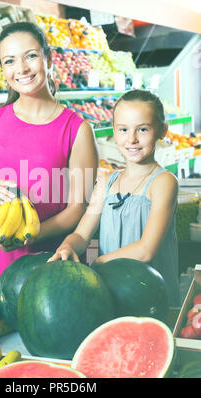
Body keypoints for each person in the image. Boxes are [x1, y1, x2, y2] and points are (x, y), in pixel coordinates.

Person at [0, 22, 98, 281]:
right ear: (2, 68)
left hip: (43, 261)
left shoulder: (78, 130)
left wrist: (26, 235)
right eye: (9, 61)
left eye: (30, 56)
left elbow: (78, 208)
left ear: (48, 59)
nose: (21, 69)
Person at [49, 89, 180, 307]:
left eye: (143, 129)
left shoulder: (163, 182)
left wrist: (99, 263)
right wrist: (68, 246)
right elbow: (81, 234)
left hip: (151, 297)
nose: (132, 139)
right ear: (114, 131)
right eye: (123, 130)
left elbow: (146, 249)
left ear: (162, 130)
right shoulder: (107, 182)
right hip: (111, 293)